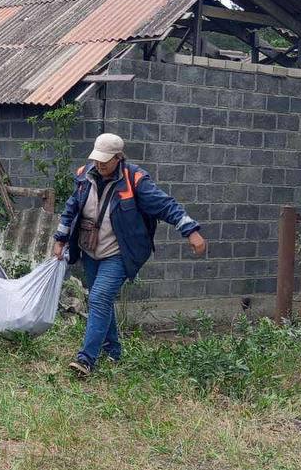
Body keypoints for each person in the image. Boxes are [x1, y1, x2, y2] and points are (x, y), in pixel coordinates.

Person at [53, 133, 207, 377]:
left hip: (119, 253)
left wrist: (191, 231)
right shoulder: (84, 175)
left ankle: (86, 359)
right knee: (101, 299)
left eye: (105, 160)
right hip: (90, 249)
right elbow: (71, 208)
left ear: (118, 157)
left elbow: (166, 205)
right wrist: (60, 239)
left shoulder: (135, 179)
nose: (99, 164)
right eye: (97, 159)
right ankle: (112, 351)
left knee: (99, 298)